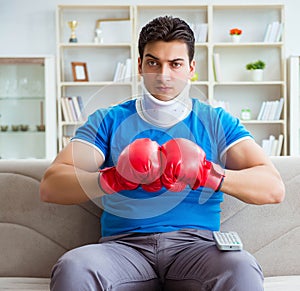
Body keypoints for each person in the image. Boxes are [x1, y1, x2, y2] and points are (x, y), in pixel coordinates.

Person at [40, 16, 285, 291]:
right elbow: (51, 185)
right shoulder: (108, 120)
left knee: (242, 268)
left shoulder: (215, 121)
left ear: (191, 68)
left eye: (175, 64)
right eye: (153, 62)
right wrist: (114, 179)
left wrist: (209, 174)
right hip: (124, 249)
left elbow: (273, 187)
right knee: (74, 267)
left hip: (197, 250)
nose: (163, 74)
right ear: (140, 66)